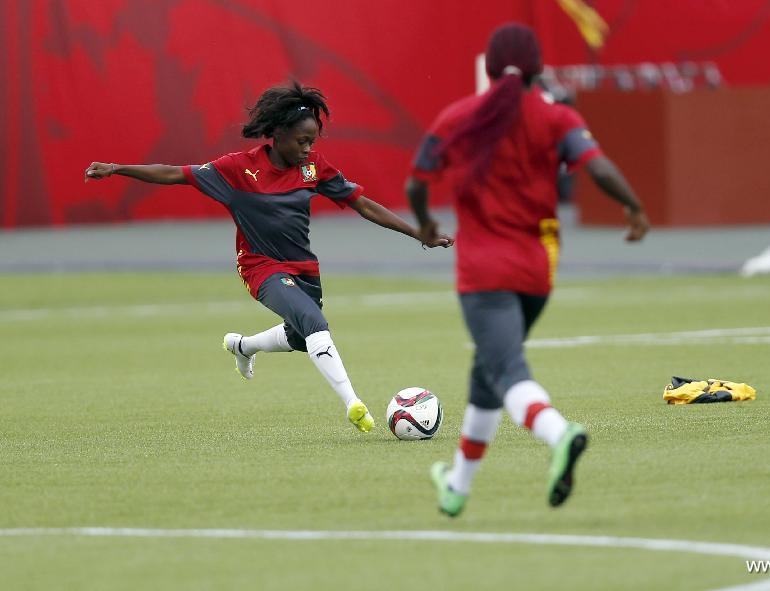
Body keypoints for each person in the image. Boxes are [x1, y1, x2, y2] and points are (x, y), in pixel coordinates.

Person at [85, 81, 452, 434]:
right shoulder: (236, 169)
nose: (308, 148)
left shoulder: (313, 168)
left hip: (304, 269)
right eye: (301, 140)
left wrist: (418, 232)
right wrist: (118, 169)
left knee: (300, 336)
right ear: (277, 134)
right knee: (315, 324)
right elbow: (174, 173)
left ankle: (243, 347)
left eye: (312, 140)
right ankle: (353, 404)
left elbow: (363, 205)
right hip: (260, 267)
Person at [406, 23, 649, 517]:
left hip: (484, 271)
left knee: (508, 371)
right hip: (538, 269)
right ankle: (457, 487)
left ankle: (560, 434)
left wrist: (427, 222)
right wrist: (634, 208)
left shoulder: (458, 116)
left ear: (491, 67)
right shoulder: (557, 117)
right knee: (486, 376)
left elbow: (416, 180)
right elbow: (598, 169)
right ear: (539, 68)